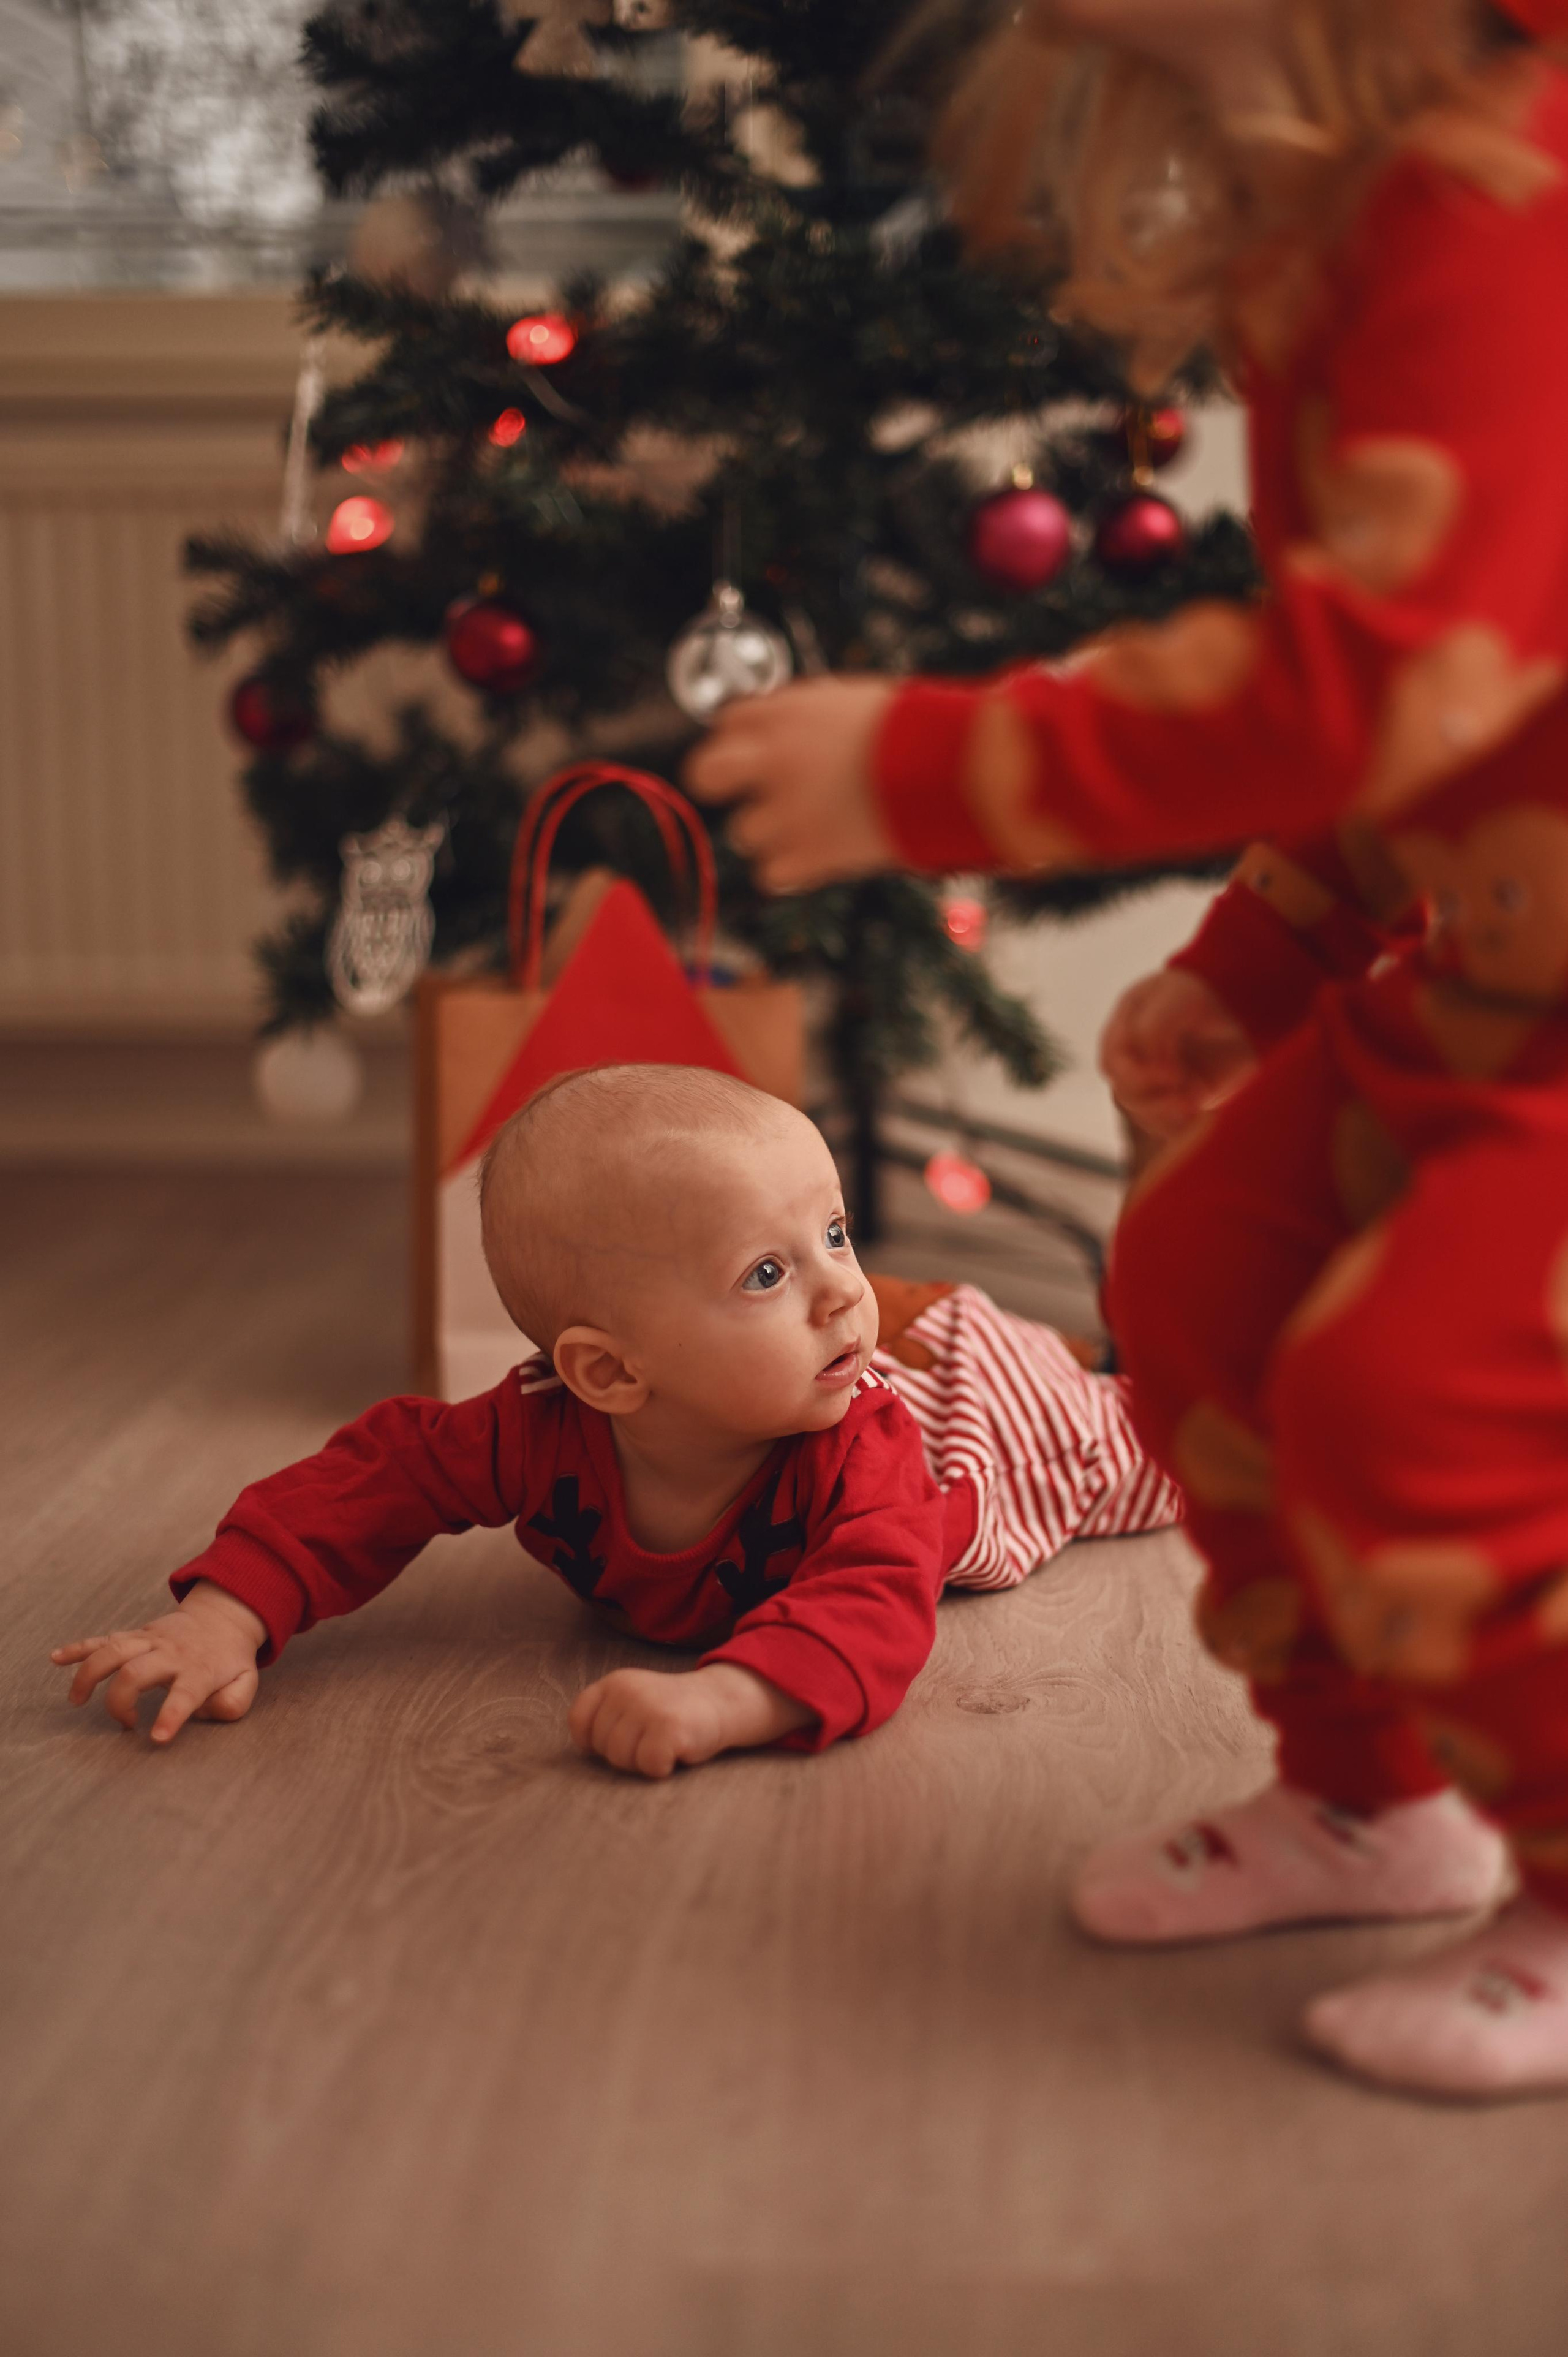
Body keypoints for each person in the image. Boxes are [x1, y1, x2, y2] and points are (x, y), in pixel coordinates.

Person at [686, 0, 1568, 2098]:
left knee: (1410, 1397)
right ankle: (1373, 1798)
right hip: (1494, 958)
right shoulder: (1361, 214)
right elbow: (1474, 696)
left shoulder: (1495, 194)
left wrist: (941, 762)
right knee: (1193, 1277)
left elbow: (1398, 668)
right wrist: (1270, 948)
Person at [50, 1065, 1177, 1780]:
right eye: (767, 1270)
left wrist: (729, 1699)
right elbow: (378, 1478)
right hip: (875, 1383)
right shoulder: (542, 1427)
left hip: (982, 1437)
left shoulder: (856, 1445)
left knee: (1163, 1443)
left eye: (837, 1235)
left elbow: (876, 1598)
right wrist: (225, 1615)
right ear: (608, 1374)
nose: (841, 1286)